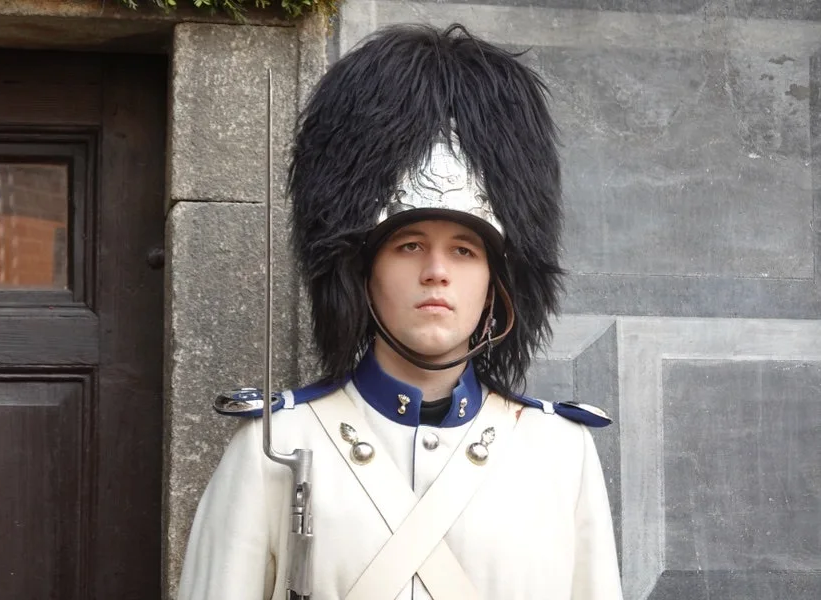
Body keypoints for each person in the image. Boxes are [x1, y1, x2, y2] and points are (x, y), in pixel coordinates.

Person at [177, 23, 622, 600]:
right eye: (409, 246)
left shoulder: (560, 452)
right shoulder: (275, 444)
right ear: (363, 273)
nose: (436, 271)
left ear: (495, 284)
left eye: (464, 251)